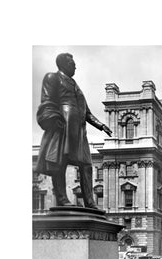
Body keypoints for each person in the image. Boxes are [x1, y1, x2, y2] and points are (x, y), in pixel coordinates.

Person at [36, 53, 113, 209]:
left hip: (79, 129)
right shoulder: (52, 77)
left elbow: (87, 112)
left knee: (86, 164)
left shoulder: (75, 85)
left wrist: (100, 125)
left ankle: (89, 202)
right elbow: (47, 101)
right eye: (72, 63)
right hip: (63, 125)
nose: (75, 66)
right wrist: (53, 119)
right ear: (63, 64)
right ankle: (62, 198)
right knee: (60, 162)